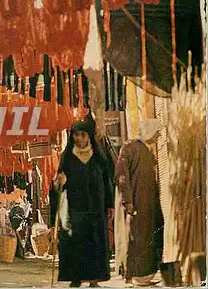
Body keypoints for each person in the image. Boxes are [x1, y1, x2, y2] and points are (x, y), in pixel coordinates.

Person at [52, 121, 114, 288]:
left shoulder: (98, 157)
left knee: (94, 243)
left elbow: (107, 181)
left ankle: (94, 279)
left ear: (89, 137)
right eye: (76, 135)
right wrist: (60, 182)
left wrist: (110, 205)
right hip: (75, 209)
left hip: (96, 208)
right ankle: (76, 277)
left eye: (83, 135)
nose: (79, 138)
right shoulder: (68, 158)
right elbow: (57, 184)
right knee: (76, 242)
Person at [115, 119, 164, 287]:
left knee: (146, 238)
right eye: (156, 132)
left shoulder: (147, 151)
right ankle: (136, 276)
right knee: (136, 239)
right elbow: (122, 175)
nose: (158, 136)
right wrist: (127, 200)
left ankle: (145, 275)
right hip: (135, 203)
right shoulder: (130, 148)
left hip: (147, 205)